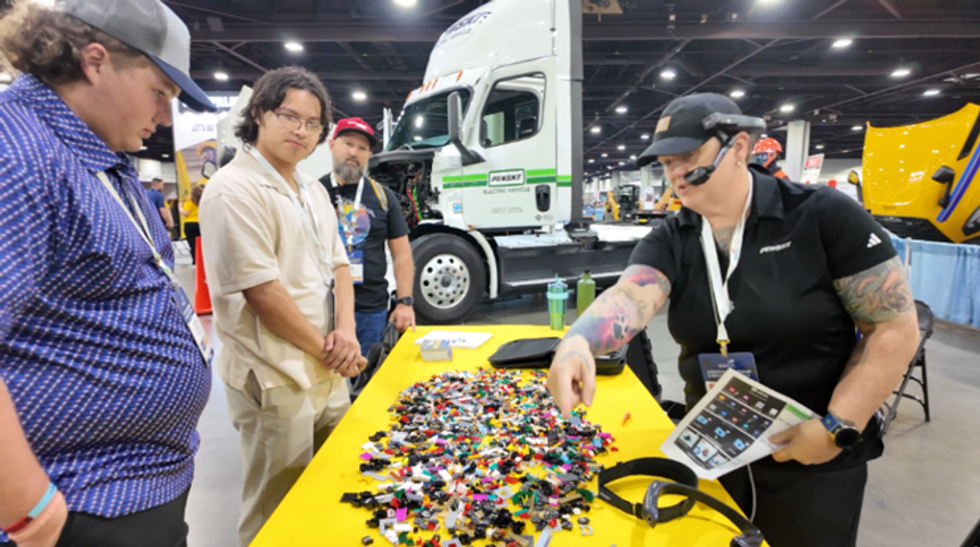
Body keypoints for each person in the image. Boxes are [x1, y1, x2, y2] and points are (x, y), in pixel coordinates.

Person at [546, 93, 919, 547]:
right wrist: (578, 342)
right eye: (666, 163)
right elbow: (631, 296)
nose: (675, 174)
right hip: (714, 446)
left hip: (810, 450)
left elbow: (893, 326)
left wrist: (837, 426)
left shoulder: (822, 215)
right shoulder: (675, 234)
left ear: (738, 147)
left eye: (687, 157)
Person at [0, 1, 217, 546]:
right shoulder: (18, 153)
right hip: (81, 500)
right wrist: (31, 513)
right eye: (159, 93)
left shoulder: (95, 153)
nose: (165, 116)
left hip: (135, 485)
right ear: (95, 61)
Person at [198, 67, 365, 547]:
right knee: (276, 505)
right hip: (275, 372)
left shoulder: (312, 190)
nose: (301, 131)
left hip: (327, 367)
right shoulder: (233, 188)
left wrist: (347, 332)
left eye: (313, 124)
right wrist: (331, 350)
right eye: (289, 116)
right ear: (259, 114)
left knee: (332, 484)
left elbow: (340, 266)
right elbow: (262, 292)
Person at [319, 118, 416, 356]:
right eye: (348, 144)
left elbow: (402, 255)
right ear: (332, 145)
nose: (354, 152)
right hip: (321, 307)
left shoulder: (383, 197)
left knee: (366, 371)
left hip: (370, 308)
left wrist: (404, 302)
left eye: (362, 148)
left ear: (369, 155)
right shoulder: (313, 193)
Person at [180, 184, 204, 263]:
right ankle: (202, 259)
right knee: (201, 242)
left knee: (192, 242)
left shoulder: (190, 202)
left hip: (190, 224)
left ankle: (195, 260)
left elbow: (185, 212)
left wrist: (180, 207)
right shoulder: (202, 201)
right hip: (200, 223)